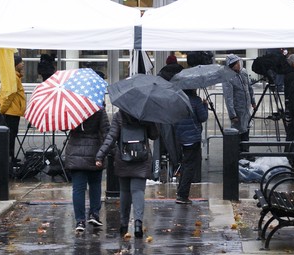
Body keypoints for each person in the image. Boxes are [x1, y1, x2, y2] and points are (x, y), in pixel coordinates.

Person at [95, 111, 159, 239]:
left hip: (123, 158)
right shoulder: (145, 114)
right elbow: (154, 135)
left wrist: (100, 155)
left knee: (124, 191)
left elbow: (111, 137)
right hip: (142, 158)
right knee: (138, 191)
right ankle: (138, 224)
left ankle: (124, 224)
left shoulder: (119, 116)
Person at [63, 108, 110, 233]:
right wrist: (110, 152)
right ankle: (94, 214)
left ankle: (80, 220)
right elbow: (106, 132)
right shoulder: (98, 109)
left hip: (75, 152)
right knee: (95, 185)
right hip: (95, 152)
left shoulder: (72, 108)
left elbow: (63, 126)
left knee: (78, 189)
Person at [174, 89, 209, 204]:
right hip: (193, 137)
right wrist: (205, 106)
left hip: (181, 136)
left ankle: (180, 191)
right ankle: (182, 195)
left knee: (185, 164)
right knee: (189, 166)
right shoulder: (196, 100)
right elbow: (203, 117)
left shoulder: (179, 100)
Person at [221, 54, 256, 155]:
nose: (239, 65)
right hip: (238, 109)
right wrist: (233, 115)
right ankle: (238, 154)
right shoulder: (228, 78)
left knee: (246, 130)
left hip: (246, 108)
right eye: (236, 63)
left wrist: (253, 102)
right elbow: (228, 98)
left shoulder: (243, 72)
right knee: (238, 133)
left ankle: (246, 152)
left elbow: (249, 88)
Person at [0, 54, 26, 162]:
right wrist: (2, 109)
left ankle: (10, 157)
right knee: (11, 136)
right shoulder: (13, 77)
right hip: (11, 113)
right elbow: (9, 95)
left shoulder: (15, 76)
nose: (22, 63)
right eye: (20, 62)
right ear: (15, 64)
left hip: (13, 111)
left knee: (12, 136)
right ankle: (9, 159)